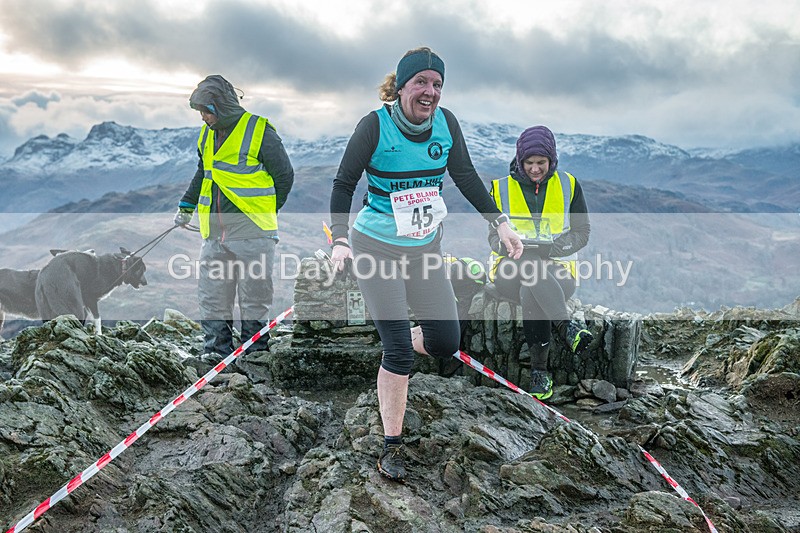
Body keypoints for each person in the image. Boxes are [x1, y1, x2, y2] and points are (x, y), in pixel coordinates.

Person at [329, 47, 523, 482]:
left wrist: (502, 224)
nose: (430, 92)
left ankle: (396, 338)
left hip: (424, 249)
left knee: (445, 340)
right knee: (398, 353)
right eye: (422, 82)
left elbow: (466, 176)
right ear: (401, 86)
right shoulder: (373, 127)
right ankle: (391, 446)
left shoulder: (446, 124)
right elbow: (344, 184)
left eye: (437, 84)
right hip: (376, 248)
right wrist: (340, 241)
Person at [174, 75, 294, 359]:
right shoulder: (206, 134)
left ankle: (255, 358)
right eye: (200, 112)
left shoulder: (258, 130)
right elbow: (204, 174)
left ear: (221, 106)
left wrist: (264, 213)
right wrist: (186, 206)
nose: (203, 117)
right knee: (212, 297)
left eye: (206, 110)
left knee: (254, 299)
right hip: (215, 233)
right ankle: (216, 356)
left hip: (253, 232)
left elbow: (285, 176)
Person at [488, 125, 593, 401]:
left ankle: (539, 374)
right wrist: (509, 244)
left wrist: (558, 247)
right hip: (509, 269)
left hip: (557, 270)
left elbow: (582, 232)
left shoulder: (569, 184)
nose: (535, 169)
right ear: (520, 160)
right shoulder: (500, 188)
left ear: (552, 160)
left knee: (531, 285)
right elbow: (492, 237)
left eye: (541, 163)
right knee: (529, 266)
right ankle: (565, 327)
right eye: (529, 163)